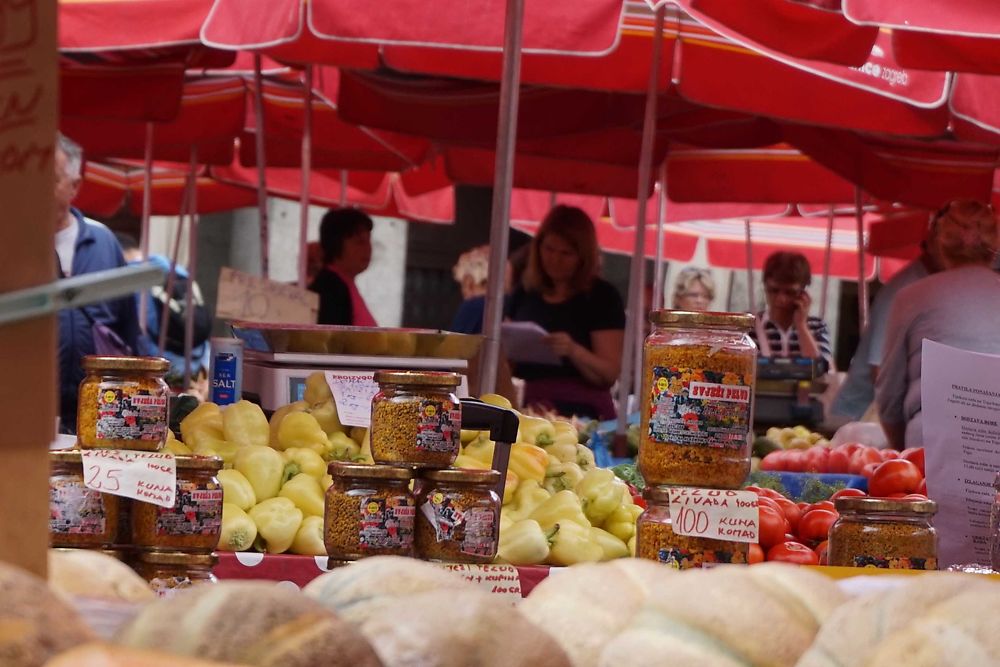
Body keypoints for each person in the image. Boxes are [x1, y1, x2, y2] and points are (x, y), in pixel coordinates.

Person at [876, 200, 1000, 448]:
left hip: (931, 442)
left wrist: (908, 455)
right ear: (996, 244)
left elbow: (889, 398)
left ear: (939, 245)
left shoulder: (911, 297)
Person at [506, 205, 625, 419]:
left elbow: (609, 373)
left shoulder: (602, 297)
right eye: (549, 249)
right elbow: (507, 363)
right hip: (532, 408)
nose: (554, 260)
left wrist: (573, 350)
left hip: (585, 415)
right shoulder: (524, 293)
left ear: (583, 256)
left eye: (566, 253)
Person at [55, 133, 139, 433]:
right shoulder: (12, 242)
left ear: (74, 186)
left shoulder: (103, 241)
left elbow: (128, 326)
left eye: (50, 180)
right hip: (25, 407)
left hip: (99, 409)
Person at [831, 219, 944, 421]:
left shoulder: (935, 287)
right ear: (933, 244)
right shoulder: (904, 291)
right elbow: (880, 373)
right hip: (859, 418)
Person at [116, 233, 212, 396]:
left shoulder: (130, 277)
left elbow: (137, 333)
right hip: (197, 369)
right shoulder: (176, 269)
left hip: (161, 374)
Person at [749, 251, 834, 369]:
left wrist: (801, 326)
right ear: (765, 287)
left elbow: (821, 370)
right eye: (774, 290)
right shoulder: (750, 327)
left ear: (803, 292)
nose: (781, 299)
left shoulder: (817, 327)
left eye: (790, 292)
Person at [308, 208, 377, 326]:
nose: (368, 248)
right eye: (360, 242)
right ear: (336, 243)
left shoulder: (343, 284)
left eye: (369, 240)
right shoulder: (331, 289)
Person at [449, 244, 529, 335]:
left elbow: (454, 347)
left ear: (469, 282)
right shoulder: (514, 306)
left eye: (462, 284)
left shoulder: (471, 307)